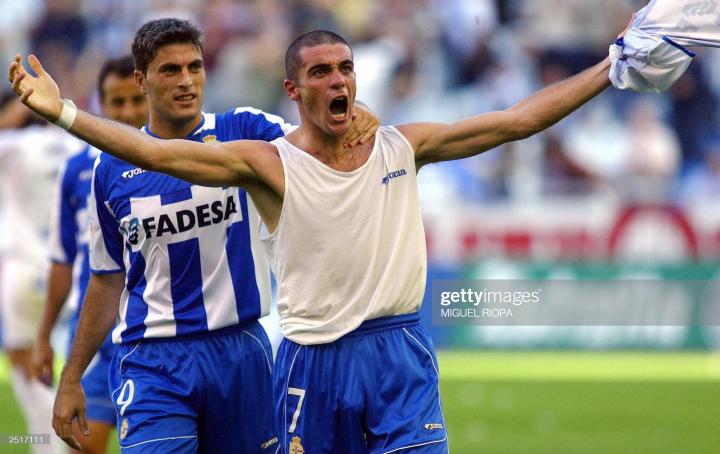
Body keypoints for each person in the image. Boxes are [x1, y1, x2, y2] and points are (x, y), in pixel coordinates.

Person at [9, 26, 629, 452]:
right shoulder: (266, 161)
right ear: (293, 89)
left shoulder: (400, 144)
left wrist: (613, 65)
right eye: (321, 72)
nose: (338, 81)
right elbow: (153, 156)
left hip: (393, 351)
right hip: (301, 360)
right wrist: (63, 112)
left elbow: (519, 120)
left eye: (345, 70)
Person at [19, 18, 377, 454]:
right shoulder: (107, 170)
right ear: (142, 81)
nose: (187, 80)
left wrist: (357, 113)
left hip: (241, 352)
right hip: (153, 362)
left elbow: (318, 141)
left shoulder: (245, 130)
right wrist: (72, 375)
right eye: (171, 70)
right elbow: (107, 277)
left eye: (195, 67)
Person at [33, 55, 148, 454]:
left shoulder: (180, 161)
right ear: (100, 104)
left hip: (155, 335)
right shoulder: (79, 169)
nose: (128, 112)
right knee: (84, 445)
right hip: (96, 339)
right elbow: (62, 259)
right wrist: (44, 336)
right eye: (117, 102)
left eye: (137, 100)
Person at [0, 91, 85, 454]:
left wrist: (15, 108)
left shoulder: (14, 146)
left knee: (23, 360)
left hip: (23, 267)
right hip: (67, 272)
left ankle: (50, 441)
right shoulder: (72, 144)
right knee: (59, 359)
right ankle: (58, 437)